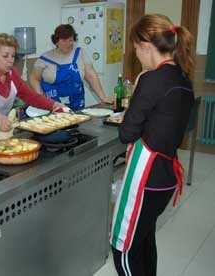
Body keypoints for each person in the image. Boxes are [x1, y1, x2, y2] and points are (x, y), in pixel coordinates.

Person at [109, 14, 194, 276]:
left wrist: (137, 94)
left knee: (122, 246)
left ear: (146, 46)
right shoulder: (183, 77)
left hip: (145, 177)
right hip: (166, 176)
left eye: (136, 49)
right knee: (144, 239)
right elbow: (162, 121)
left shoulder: (151, 79)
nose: (136, 55)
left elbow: (127, 133)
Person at [29, 24, 112, 111]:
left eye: (71, 40)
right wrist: (40, 96)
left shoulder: (80, 53)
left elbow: (91, 76)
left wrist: (103, 97)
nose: (68, 44)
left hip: (77, 107)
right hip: (53, 108)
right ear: (56, 41)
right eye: (64, 41)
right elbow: (34, 78)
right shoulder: (45, 58)